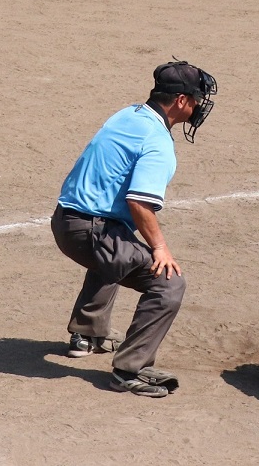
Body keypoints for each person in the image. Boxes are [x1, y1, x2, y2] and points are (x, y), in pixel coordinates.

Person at [51, 61, 218, 398]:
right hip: (88, 230)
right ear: (181, 101)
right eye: (198, 99)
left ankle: (88, 333)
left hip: (66, 219)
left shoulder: (128, 114)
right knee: (168, 282)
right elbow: (139, 204)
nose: (201, 106)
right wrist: (160, 247)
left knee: (120, 248)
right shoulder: (157, 143)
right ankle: (131, 370)